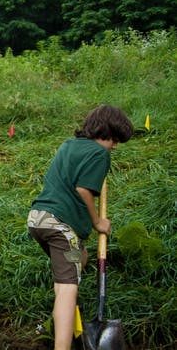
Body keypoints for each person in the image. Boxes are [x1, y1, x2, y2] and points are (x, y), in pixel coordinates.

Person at [27, 104, 133, 349]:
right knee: (67, 289)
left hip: (39, 219)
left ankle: (57, 321)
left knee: (80, 257)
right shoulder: (99, 153)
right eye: (114, 139)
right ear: (104, 133)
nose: (115, 146)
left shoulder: (69, 145)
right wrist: (98, 222)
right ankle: (62, 344)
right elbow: (83, 189)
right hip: (60, 226)